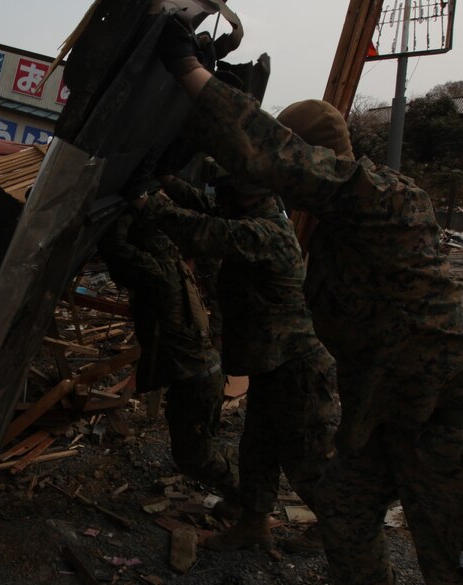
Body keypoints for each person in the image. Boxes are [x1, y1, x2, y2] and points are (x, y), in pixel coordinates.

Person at [154, 27, 463, 585]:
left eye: (295, 164)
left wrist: (189, 70)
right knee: (342, 504)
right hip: (387, 406)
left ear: (319, 157)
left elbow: (280, 163)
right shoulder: (330, 234)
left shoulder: (383, 197)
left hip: (457, 410)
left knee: (460, 554)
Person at [137, 165, 339, 553]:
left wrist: (146, 204)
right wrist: (168, 180)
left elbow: (207, 231)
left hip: (297, 366)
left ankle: (343, 533)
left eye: (226, 191)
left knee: (306, 458)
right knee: (258, 449)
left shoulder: (266, 233)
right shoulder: (252, 212)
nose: (220, 199)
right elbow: (208, 209)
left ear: (244, 193)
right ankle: (254, 524)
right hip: (270, 364)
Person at [98, 212, 235, 493]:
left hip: (196, 382)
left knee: (194, 459)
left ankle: (246, 499)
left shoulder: (158, 271)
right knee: (196, 447)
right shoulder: (174, 267)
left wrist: (120, 217)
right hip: (200, 377)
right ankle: (243, 483)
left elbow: (115, 252)